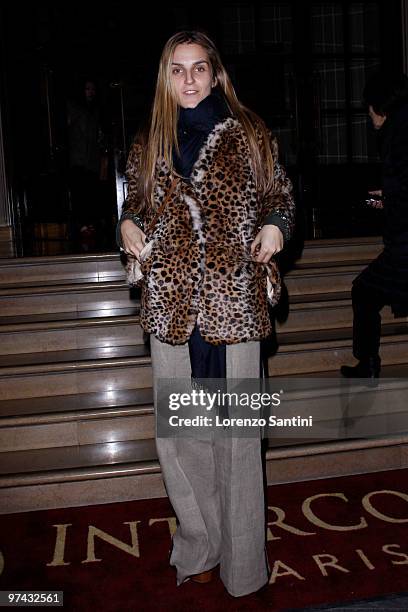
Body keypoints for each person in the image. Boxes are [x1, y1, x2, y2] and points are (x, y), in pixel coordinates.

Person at [117, 30, 294, 597]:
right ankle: (198, 543)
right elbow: (135, 206)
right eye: (177, 69)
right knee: (181, 437)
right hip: (171, 303)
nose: (189, 79)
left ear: (216, 74)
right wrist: (125, 225)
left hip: (233, 300)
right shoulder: (151, 141)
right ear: (164, 78)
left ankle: (244, 564)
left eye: (199, 68)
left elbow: (281, 198)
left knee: (239, 441)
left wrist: (275, 225)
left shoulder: (250, 135)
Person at [341, 71, 408, 379]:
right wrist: (390, 195)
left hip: (405, 245)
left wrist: (389, 198)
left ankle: (368, 363)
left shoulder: (398, 131)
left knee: (364, 291)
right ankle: (367, 362)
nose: (369, 115)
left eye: (369, 107)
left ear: (380, 105)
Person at [67, 79, 109, 251]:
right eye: (87, 89)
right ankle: (82, 225)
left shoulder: (95, 110)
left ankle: (89, 224)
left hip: (91, 159)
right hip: (77, 158)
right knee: (80, 192)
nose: (90, 92)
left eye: (93, 89)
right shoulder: (73, 107)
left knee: (91, 192)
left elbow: (97, 134)